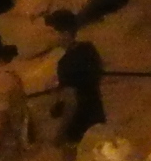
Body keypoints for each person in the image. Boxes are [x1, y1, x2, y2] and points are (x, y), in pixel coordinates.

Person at [47, 8, 110, 148]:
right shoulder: (88, 49)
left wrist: (60, 134)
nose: (49, 36)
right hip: (97, 120)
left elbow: (71, 102)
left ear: (65, 33)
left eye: (52, 32)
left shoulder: (65, 63)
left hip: (78, 131)